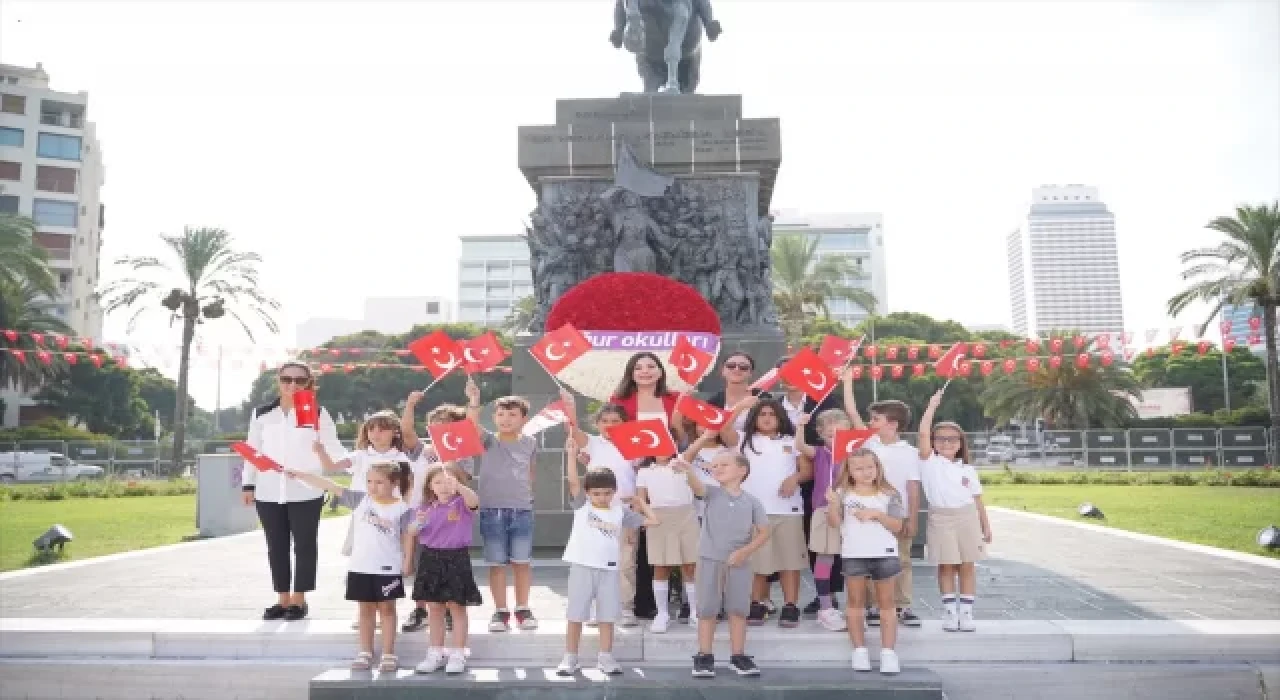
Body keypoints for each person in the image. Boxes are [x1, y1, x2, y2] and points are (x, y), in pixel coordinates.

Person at [284, 461, 414, 673]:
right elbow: (329, 485)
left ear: (394, 483)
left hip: (387, 567)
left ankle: (389, 653)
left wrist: (407, 561)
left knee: (387, 610)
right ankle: (365, 652)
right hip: (360, 567)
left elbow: (408, 536)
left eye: (379, 482)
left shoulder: (402, 509)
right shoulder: (360, 500)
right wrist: (300, 474)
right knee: (365, 609)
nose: (373, 486)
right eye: (369, 481)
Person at [242, 362, 345, 622]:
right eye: (287, 379)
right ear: (278, 380)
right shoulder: (262, 414)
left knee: (305, 546)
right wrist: (248, 484)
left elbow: (334, 449)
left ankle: (299, 600)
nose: (292, 385)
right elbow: (252, 451)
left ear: (309, 383)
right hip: (268, 490)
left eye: (300, 380)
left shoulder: (318, 413)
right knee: (276, 546)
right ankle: (283, 599)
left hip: (306, 490)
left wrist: (357, 462)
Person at [312, 410, 415, 630]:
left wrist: (403, 513)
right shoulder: (360, 456)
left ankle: (386, 609)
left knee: (389, 561)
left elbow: (408, 490)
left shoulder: (402, 458)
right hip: (363, 516)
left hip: (391, 518)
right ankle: (363, 612)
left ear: (395, 432)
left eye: (382, 429)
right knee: (361, 559)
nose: (376, 433)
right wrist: (320, 452)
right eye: (371, 429)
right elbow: (332, 467)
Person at [557, 467, 659, 676]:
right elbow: (573, 481)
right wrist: (571, 454)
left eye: (607, 493)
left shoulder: (620, 511)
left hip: (609, 570)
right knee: (576, 614)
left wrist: (641, 503)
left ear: (614, 491)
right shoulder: (582, 506)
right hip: (582, 567)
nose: (602, 498)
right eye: (596, 493)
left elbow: (654, 521)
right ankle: (570, 657)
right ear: (587, 492)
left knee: (607, 616)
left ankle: (605, 657)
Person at [675, 452, 769, 678]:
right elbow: (696, 486)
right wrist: (687, 470)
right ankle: (704, 656)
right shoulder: (712, 493)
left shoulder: (752, 501)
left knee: (738, 609)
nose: (717, 468)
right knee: (707, 609)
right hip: (709, 559)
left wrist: (744, 552)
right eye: (714, 465)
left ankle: (738, 656)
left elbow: (764, 532)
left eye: (724, 464)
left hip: (739, 562)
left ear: (742, 470)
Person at [464, 378, 540, 632]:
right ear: (494, 418)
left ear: (524, 418)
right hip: (492, 510)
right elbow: (471, 426)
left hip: (522, 511)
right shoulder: (488, 440)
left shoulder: (530, 442)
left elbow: (530, 472)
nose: (506, 419)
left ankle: (523, 608)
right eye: (501, 414)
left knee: (522, 562)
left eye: (512, 414)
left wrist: (527, 496)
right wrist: (474, 401)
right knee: (496, 564)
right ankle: (500, 611)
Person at [562, 395, 641, 626]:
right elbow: (573, 431)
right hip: (595, 513)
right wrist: (570, 406)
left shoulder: (634, 444)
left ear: (624, 423)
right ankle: (598, 609)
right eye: (604, 420)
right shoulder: (594, 443)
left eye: (615, 420)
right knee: (596, 560)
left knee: (625, 562)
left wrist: (636, 507)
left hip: (624, 511)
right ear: (597, 424)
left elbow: (640, 478)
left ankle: (625, 607)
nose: (610, 424)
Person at [917, 390, 992, 632]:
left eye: (953, 439)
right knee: (946, 565)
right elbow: (922, 433)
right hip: (941, 517)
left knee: (967, 565)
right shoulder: (929, 462)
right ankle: (950, 612)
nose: (947, 443)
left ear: (961, 443)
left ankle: (966, 613)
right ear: (933, 442)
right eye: (941, 439)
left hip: (967, 517)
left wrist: (985, 526)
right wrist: (931, 406)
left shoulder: (967, 469)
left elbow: (977, 500)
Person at [399, 394, 475, 634]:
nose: (440, 428)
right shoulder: (422, 451)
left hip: (451, 516)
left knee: (452, 568)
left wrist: (473, 401)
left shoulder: (463, 454)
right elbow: (406, 431)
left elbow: (464, 480)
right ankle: (420, 610)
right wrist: (410, 404)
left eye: (446, 424)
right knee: (423, 566)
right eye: (436, 424)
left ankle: (452, 610)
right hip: (423, 515)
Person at [825, 448, 905, 675]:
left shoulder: (889, 493)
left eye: (870, 467)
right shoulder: (842, 493)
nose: (866, 472)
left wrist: (877, 514)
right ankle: (859, 650)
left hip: (885, 553)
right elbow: (834, 523)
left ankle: (888, 652)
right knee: (855, 602)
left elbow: (898, 526)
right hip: (854, 554)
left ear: (878, 467)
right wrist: (832, 504)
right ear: (849, 470)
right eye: (859, 468)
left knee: (886, 603)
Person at [849, 390, 922, 628]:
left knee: (902, 560)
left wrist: (912, 519)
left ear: (892, 424)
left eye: (876, 419)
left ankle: (902, 604)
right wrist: (848, 384)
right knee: (872, 559)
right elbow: (852, 413)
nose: (870, 423)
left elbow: (913, 488)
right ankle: (873, 605)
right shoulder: (869, 444)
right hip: (870, 513)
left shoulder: (910, 453)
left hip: (897, 515)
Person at [737, 398, 812, 628]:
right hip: (755, 512)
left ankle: (790, 605)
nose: (767, 418)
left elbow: (807, 470)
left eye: (772, 414)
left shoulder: (791, 441)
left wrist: (795, 478)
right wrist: (741, 406)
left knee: (790, 560)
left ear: (781, 418)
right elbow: (722, 430)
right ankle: (756, 603)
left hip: (788, 510)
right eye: (762, 414)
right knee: (758, 562)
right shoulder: (743, 440)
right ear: (754, 418)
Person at [409, 465, 483, 674]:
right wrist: (418, 523)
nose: (443, 486)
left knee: (457, 607)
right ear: (430, 486)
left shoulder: (462, 503)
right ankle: (436, 651)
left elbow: (474, 502)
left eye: (448, 481)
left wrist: (459, 486)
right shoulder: (425, 507)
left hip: (457, 558)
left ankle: (459, 652)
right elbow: (411, 531)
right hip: (430, 558)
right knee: (434, 608)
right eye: (438, 482)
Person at [798, 407, 855, 631]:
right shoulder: (820, 452)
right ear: (821, 434)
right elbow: (800, 446)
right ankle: (825, 607)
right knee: (825, 558)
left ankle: (856, 607)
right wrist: (800, 426)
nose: (836, 439)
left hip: (851, 511)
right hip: (823, 510)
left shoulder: (855, 454)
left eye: (841, 434)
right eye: (831, 435)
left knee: (854, 560)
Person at [634, 453, 700, 633]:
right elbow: (641, 500)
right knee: (661, 566)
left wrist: (685, 468)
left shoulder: (683, 463)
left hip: (686, 515)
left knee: (690, 565)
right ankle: (662, 614)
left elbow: (698, 490)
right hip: (658, 517)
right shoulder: (645, 471)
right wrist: (644, 518)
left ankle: (695, 612)